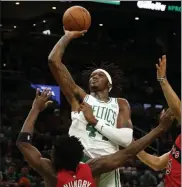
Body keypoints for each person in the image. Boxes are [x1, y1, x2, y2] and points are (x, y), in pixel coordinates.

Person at [16, 88, 174, 187]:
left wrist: (35, 109)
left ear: (54, 156)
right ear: (80, 157)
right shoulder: (91, 168)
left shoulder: (51, 173)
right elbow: (129, 152)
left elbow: (23, 142)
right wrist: (160, 128)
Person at [48, 29, 133, 187]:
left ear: (109, 84)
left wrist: (94, 121)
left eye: (99, 75)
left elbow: (126, 139)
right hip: (80, 163)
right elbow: (53, 61)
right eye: (92, 75)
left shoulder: (120, 103)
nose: (94, 76)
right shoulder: (80, 99)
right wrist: (67, 36)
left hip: (108, 163)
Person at [137, 55, 181, 187]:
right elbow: (156, 163)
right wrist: (132, 146)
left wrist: (163, 80)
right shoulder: (179, 141)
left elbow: (177, 109)